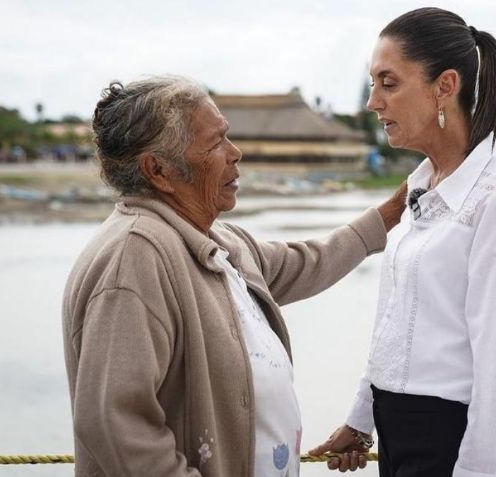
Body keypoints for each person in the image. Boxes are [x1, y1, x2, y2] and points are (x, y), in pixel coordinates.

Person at [62, 75, 406, 477]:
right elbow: (114, 424)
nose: (235, 153)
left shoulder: (219, 242)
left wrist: (391, 214)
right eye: (215, 144)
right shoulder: (135, 257)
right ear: (158, 170)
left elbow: (305, 262)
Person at [309, 8, 496, 477]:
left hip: (455, 442)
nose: (373, 102)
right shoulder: (421, 188)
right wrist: (361, 420)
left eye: (389, 83)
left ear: (445, 86)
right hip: (398, 434)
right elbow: (393, 324)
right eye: (373, 83)